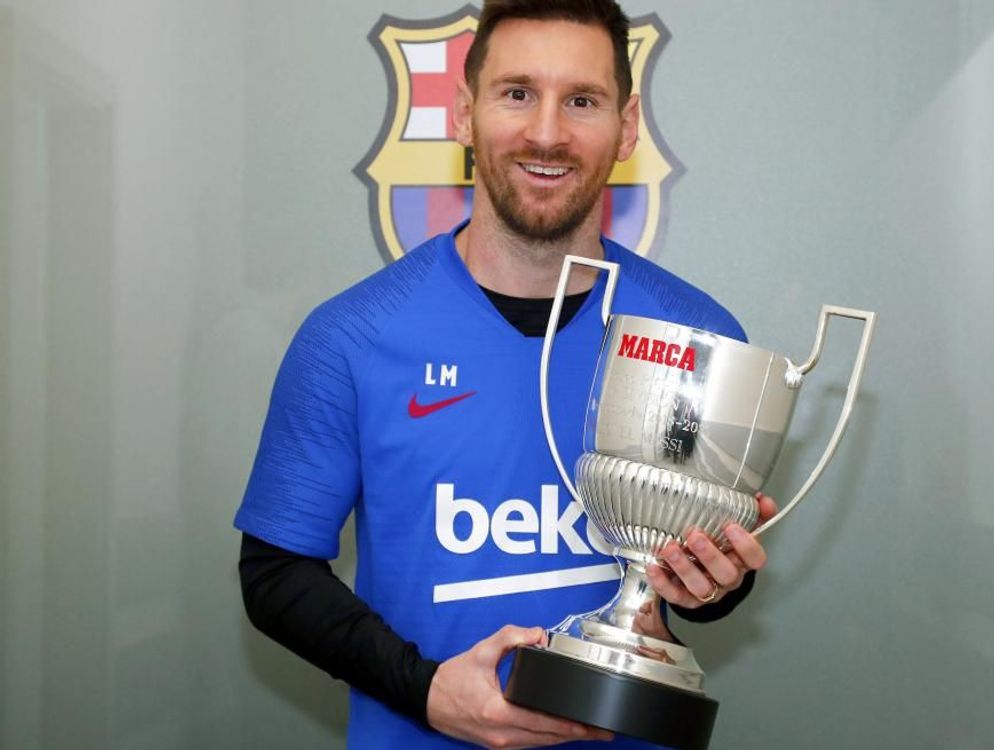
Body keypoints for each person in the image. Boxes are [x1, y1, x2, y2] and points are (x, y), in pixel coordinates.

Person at [235, 1, 776, 747]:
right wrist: (424, 691)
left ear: (625, 127)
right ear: (464, 113)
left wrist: (712, 585)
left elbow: (702, 582)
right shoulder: (351, 336)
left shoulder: (700, 337)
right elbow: (275, 575)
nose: (547, 132)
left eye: (581, 100)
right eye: (517, 93)